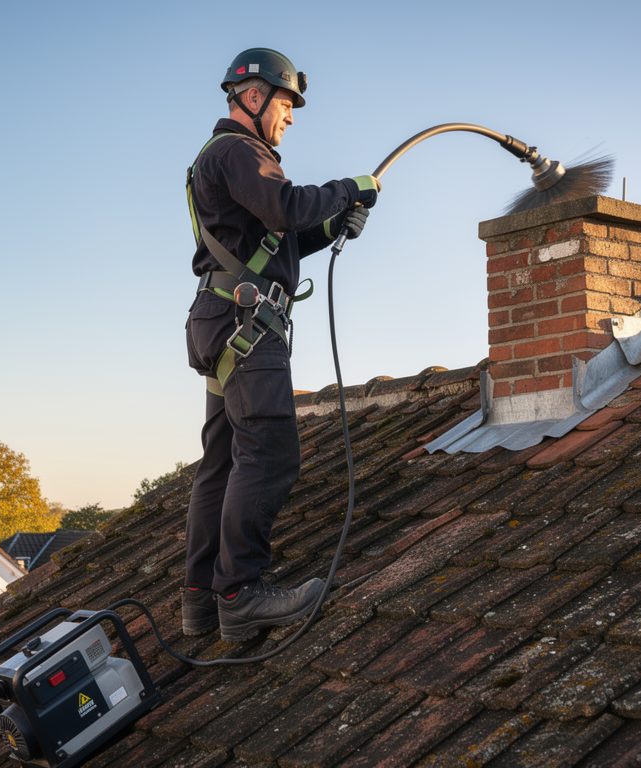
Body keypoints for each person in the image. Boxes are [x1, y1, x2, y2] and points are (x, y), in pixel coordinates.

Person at [182, 48, 378, 643]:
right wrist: (348, 190)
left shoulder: (227, 160)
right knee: (270, 451)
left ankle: (201, 599)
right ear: (253, 96)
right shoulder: (238, 152)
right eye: (286, 104)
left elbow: (278, 236)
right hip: (245, 325)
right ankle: (240, 593)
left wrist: (331, 226)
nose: (290, 117)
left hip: (225, 318)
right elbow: (285, 205)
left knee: (221, 460)